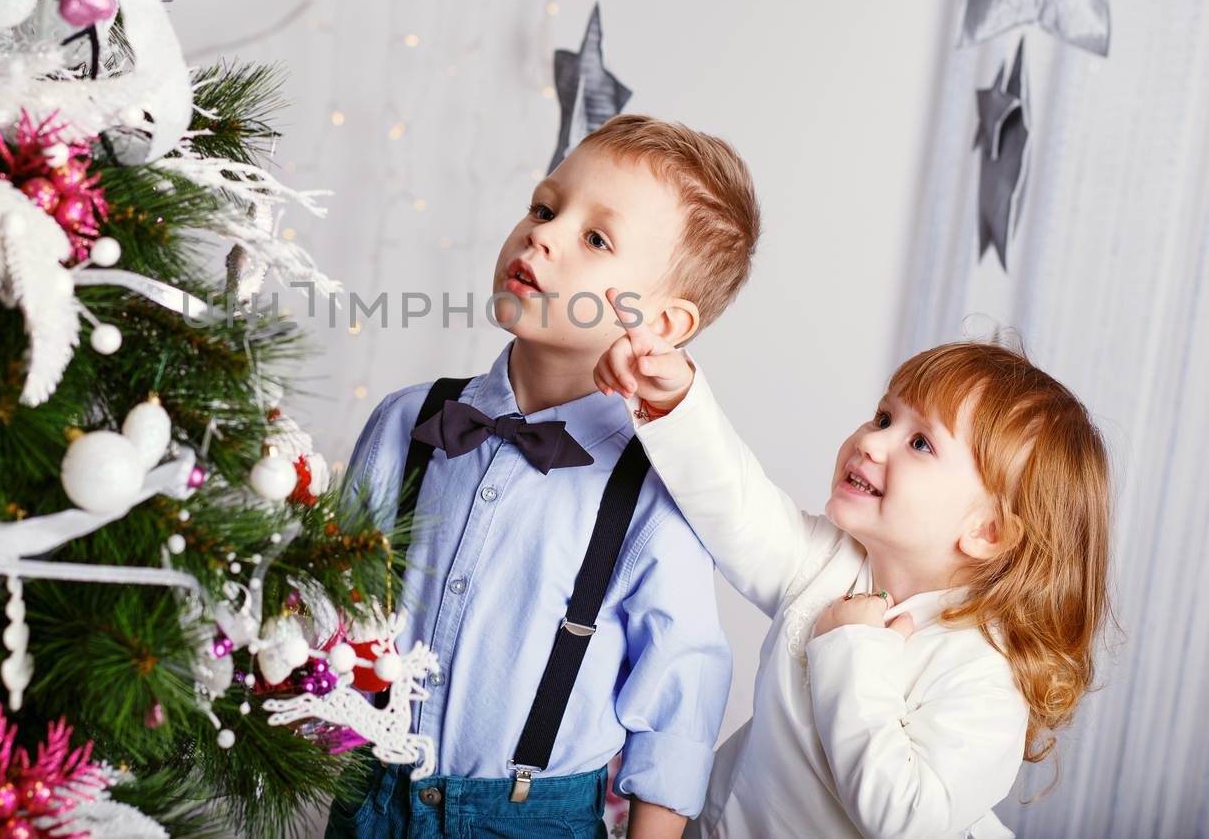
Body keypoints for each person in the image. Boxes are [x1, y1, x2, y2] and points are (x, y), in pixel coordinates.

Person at [329, 115, 761, 839]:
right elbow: (326, 607)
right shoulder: (408, 421)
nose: (543, 235)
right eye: (543, 206)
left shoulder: (655, 488)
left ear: (665, 321)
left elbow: (677, 702)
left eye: (596, 238)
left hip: (530, 821)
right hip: (366, 795)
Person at [595, 309, 1111, 839]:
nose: (871, 442)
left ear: (988, 532)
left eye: (920, 444)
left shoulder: (985, 673)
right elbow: (737, 505)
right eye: (884, 418)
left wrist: (854, 648)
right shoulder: (830, 561)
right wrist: (677, 401)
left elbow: (905, 817)